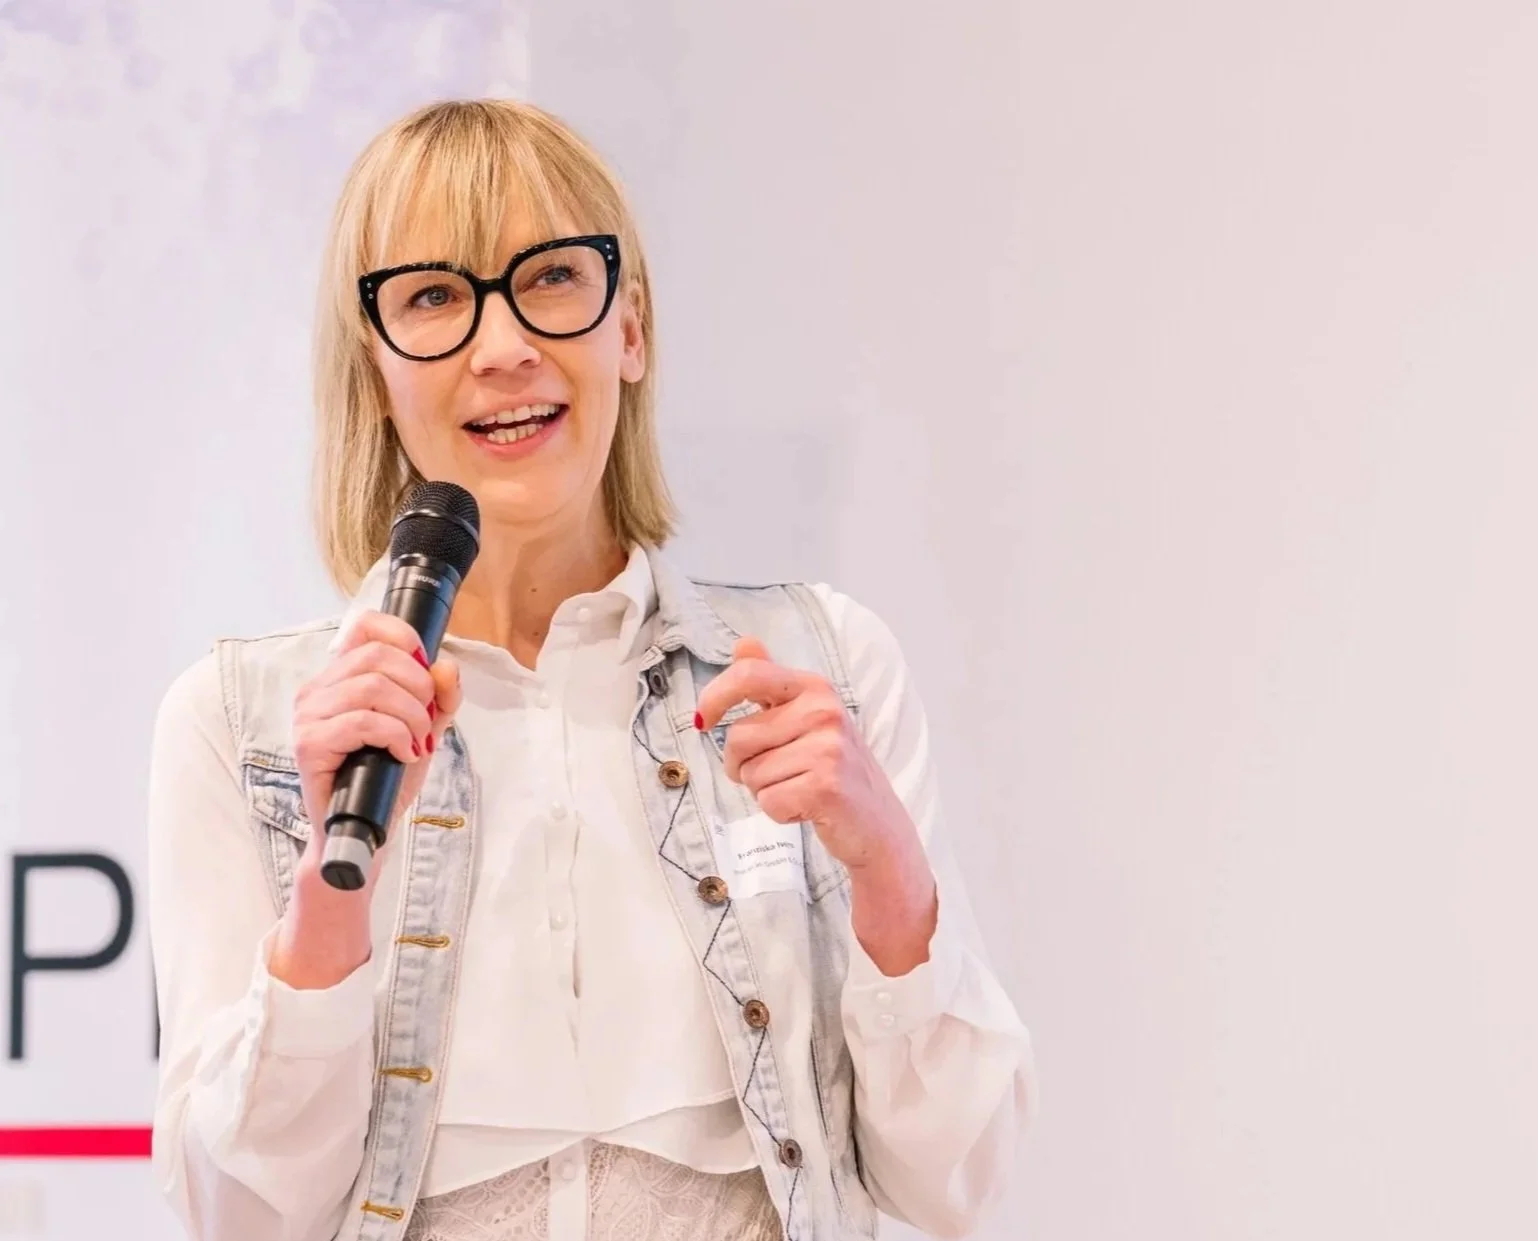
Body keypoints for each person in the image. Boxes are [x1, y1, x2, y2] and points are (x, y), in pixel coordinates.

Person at [147, 98, 1034, 1241]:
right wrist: (330, 885)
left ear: (632, 329)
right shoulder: (243, 725)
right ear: (374, 371)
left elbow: (959, 1180)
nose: (503, 344)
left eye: (552, 278)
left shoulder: (825, 666)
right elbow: (240, 1215)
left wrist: (888, 872)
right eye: (432, 297)